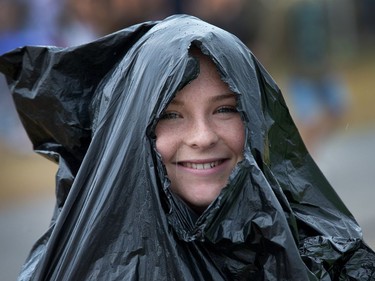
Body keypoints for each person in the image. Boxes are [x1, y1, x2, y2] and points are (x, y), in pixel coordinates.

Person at [0, 14, 374, 280]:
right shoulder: (81, 264)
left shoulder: (317, 255)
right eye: (171, 115)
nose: (202, 136)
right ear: (131, 131)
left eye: (226, 109)